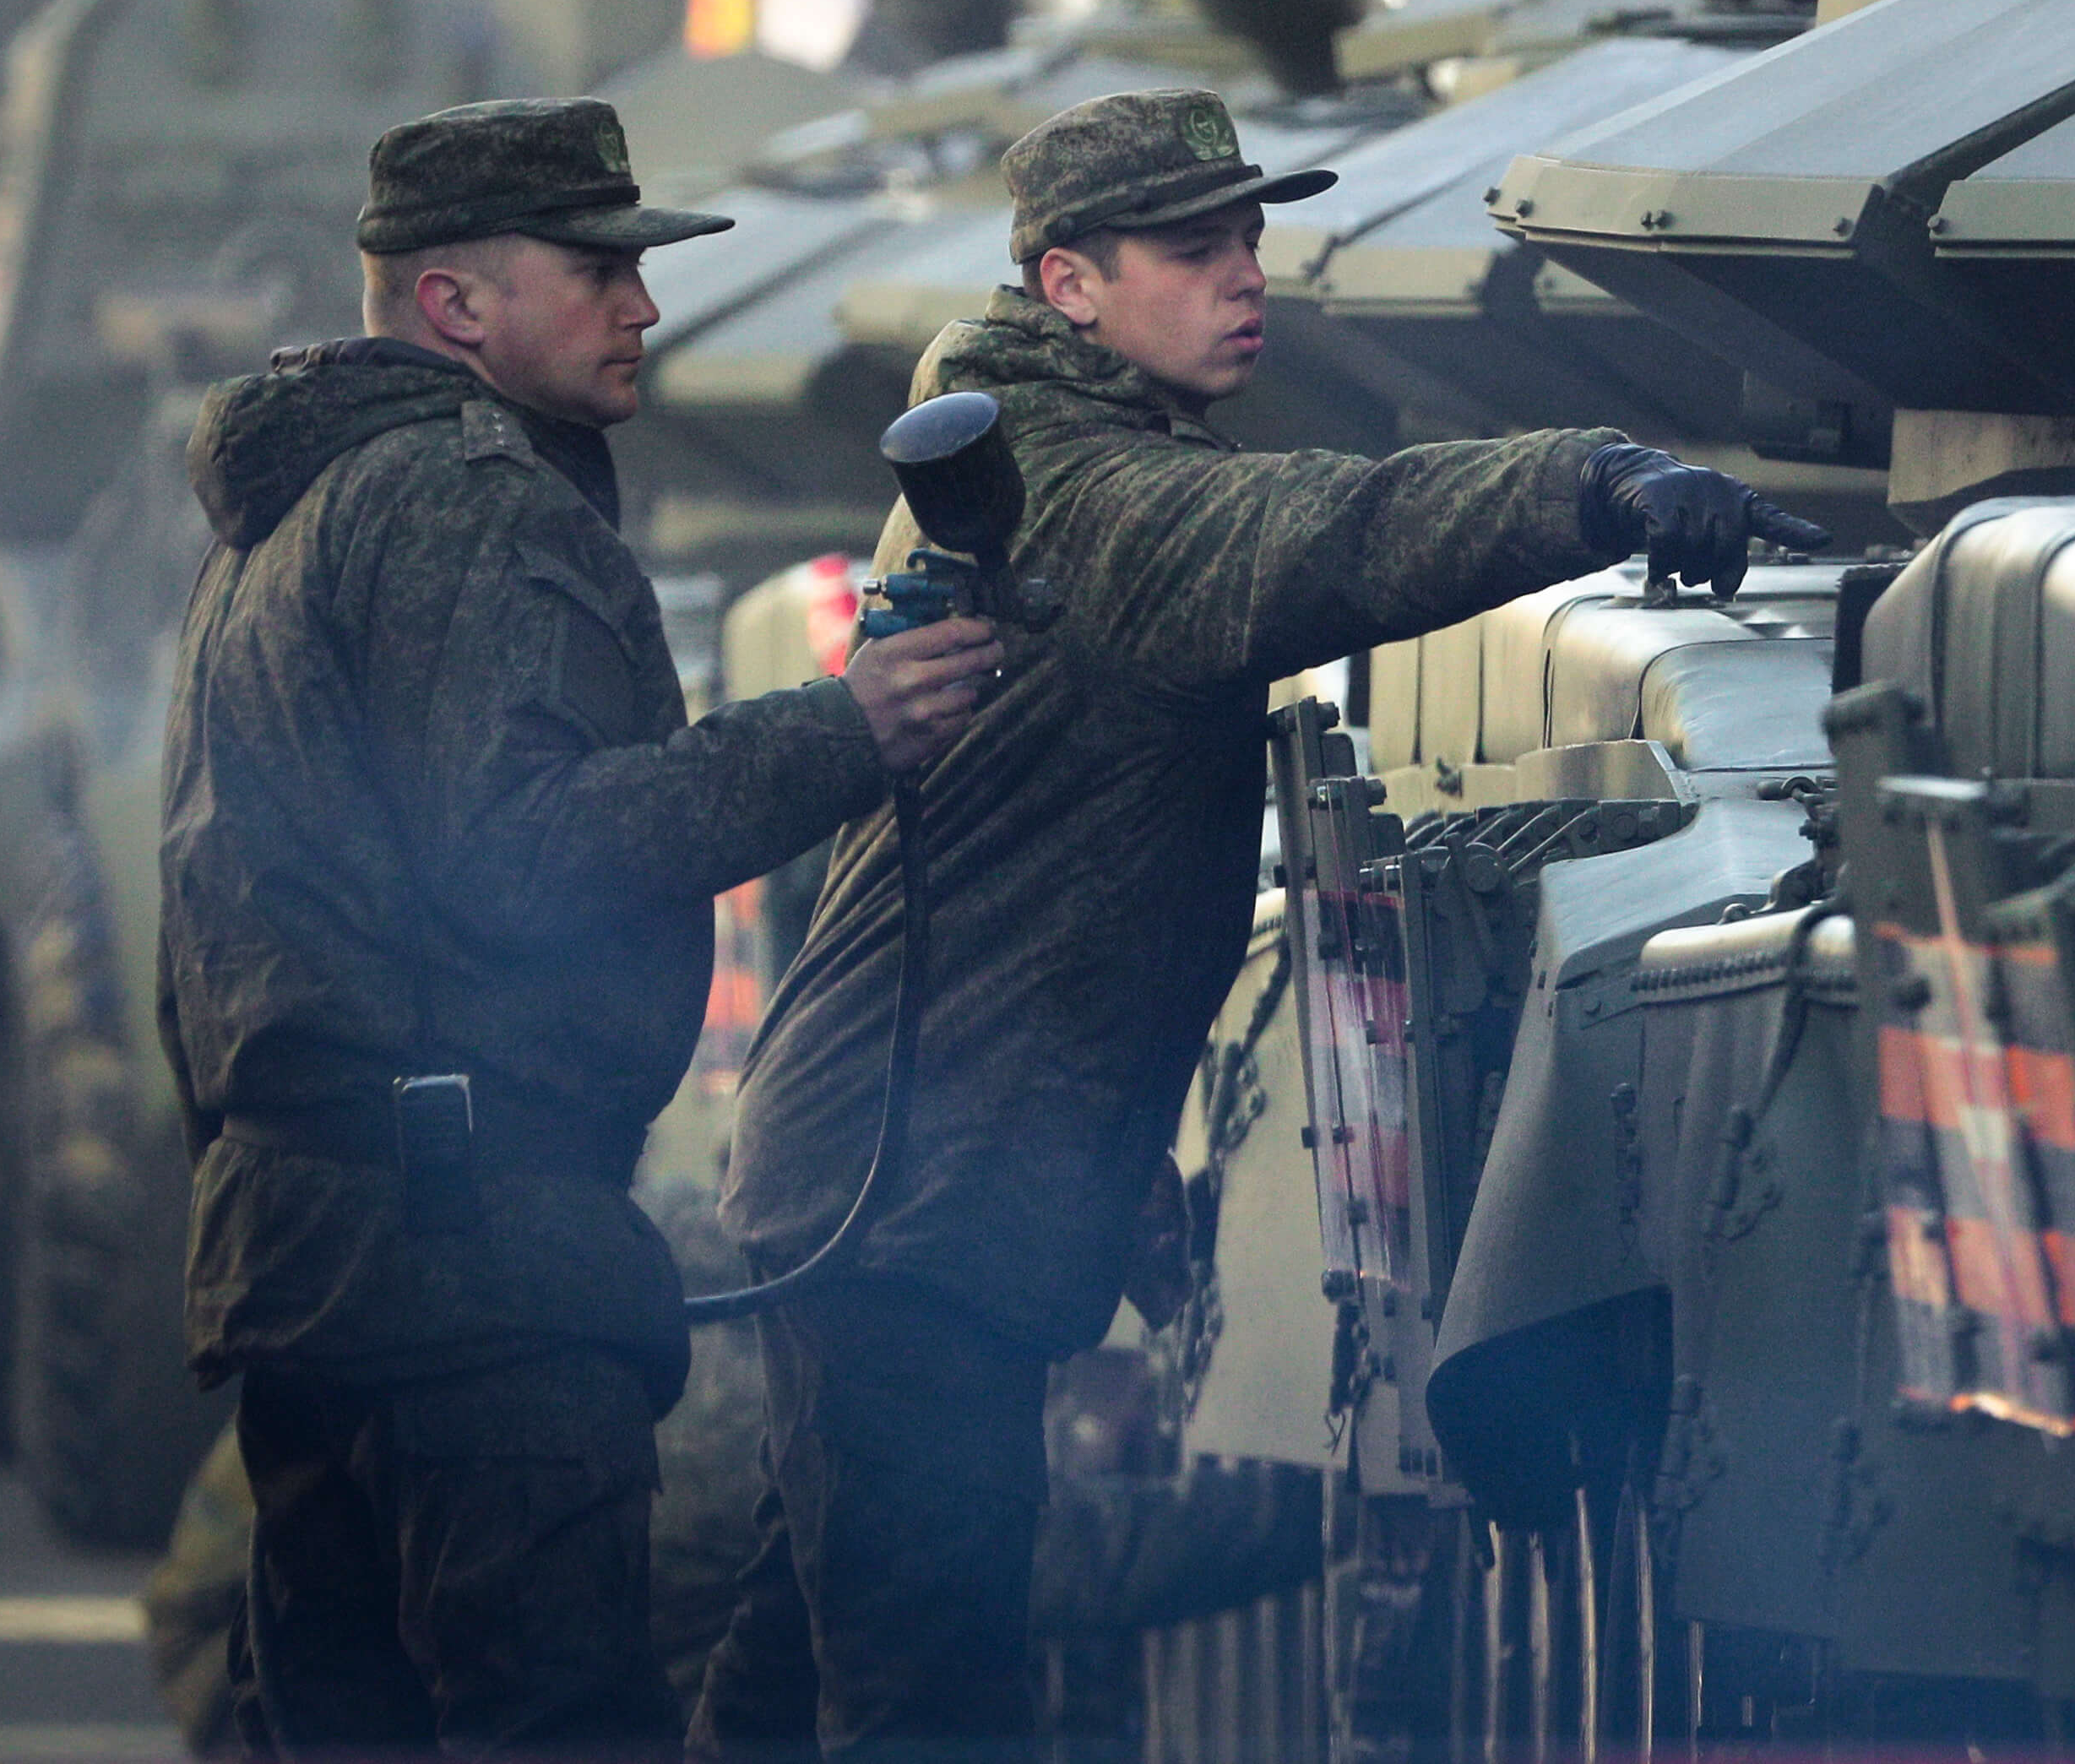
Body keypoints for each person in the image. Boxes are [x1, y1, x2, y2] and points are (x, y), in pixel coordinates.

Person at [698, 87, 1824, 1756]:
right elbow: (1329, 533)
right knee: (926, 1698)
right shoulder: (1078, 489)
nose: (1249, 276)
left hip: (916, 1174)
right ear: (1069, 282)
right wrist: (1600, 486)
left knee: (812, 1669)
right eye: (1194, 246)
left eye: (1251, 236)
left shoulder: (1031, 457)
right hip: (913, 1199)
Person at [159, 96, 1003, 1757]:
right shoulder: (470, 500)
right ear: (456, 304)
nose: (644, 306)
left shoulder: (285, 513)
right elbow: (528, 853)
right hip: (473, 1263)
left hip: (311, 1240)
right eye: (597, 267)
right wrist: (855, 728)